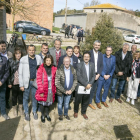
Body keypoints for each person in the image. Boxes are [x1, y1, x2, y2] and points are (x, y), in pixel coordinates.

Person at [19, 45, 42, 121]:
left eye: (33, 50)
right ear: (27, 50)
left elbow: (41, 70)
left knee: (35, 97)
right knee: (25, 98)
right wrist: (21, 85)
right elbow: (20, 73)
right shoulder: (23, 59)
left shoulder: (38, 58)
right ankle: (26, 112)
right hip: (26, 82)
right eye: (30, 50)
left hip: (35, 81)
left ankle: (34, 111)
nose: (31, 51)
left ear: (35, 50)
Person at [35, 55, 57, 123]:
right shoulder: (41, 68)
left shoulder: (54, 68)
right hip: (43, 89)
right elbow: (38, 80)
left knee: (48, 103)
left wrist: (54, 89)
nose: (48, 62)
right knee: (42, 103)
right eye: (47, 60)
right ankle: (42, 115)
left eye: (49, 60)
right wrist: (41, 91)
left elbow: (55, 79)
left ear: (51, 61)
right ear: (44, 61)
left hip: (50, 89)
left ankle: (47, 114)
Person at [74, 52, 95, 120]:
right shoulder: (79, 65)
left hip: (89, 86)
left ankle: (83, 112)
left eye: (87, 56)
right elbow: (78, 76)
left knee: (85, 101)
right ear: (83, 57)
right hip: (80, 86)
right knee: (77, 100)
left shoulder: (92, 65)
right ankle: (76, 111)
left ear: (90, 58)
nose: (86, 58)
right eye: (85, 56)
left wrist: (90, 84)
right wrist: (86, 84)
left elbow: (93, 75)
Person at [55, 56, 77, 121]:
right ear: (63, 62)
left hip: (69, 91)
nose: (67, 63)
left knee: (66, 104)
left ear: (70, 62)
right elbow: (57, 83)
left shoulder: (73, 70)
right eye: (65, 61)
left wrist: (71, 90)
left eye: (68, 61)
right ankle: (60, 114)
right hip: (61, 91)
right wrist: (65, 91)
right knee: (60, 103)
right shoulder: (59, 70)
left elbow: (75, 80)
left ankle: (66, 114)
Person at [8, 47, 24, 117]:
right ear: (14, 54)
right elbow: (9, 72)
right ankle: (14, 109)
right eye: (16, 54)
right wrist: (9, 82)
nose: (18, 55)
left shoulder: (23, 61)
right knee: (14, 96)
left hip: (21, 83)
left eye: (19, 53)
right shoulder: (11, 61)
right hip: (14, 82)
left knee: (20, 96)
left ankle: (20, 108)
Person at [89, 40, 103, 110]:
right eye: (96, 45)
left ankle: (90, 102)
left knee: (93, 89)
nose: (97, 46)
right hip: (90, 75)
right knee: (88, 88)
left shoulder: (100, 54)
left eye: (98, 45)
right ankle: (86, 101)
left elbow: (101, 66)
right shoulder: (89, 53)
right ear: (93, 45)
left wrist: (98, 74)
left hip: (97, 75)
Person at [0, 40, 13, 109]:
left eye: (4, 46)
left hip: (8, 74)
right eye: (2, 46)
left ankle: (6, 102)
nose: (3, 47)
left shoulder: (9, 54)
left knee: (8, 90)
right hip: (1, 75)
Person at [0, 51, 10, 120]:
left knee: (2, 99)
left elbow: (7, 72)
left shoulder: (4, 59)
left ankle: (3, 113)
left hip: (1, 83)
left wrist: (2, 81)